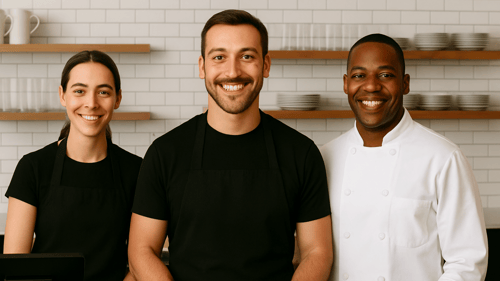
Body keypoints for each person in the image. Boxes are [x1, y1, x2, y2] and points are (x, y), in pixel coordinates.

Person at [128, 9, 333, 281]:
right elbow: (142, 250)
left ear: (266, 65)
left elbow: (317, 252)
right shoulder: (165, 153)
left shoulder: (301, 153)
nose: (233, 72)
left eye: (247, 56)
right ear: (202, 66)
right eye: (219, 57)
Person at [320, 34, 488, 281]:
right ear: (346, 84)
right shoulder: (325, 157)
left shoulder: (443, 157)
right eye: (358, 76)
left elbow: (466, 262)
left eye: (385, 75)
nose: (371, 86)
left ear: (405, 84)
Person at [4, 50, 142, 281]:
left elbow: (141, 259)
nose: (91, 103)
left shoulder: (137, 171)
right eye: (79, 91)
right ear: (62, 95)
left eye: (103, 92)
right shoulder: (33, 168)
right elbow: (16, 265)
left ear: (117, 98)